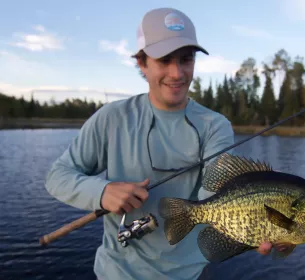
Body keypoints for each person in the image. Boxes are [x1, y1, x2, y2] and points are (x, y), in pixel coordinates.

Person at [44, 7, 286, 280]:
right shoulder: (112, 118)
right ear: (142, 63)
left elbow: (216, 194)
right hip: (116, 273)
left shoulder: (214, 125)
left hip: (186, 275)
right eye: (164, 60)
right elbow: (58, 175)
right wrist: (101, 191)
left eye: (186, 59)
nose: (177, 72)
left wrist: (257, 221)